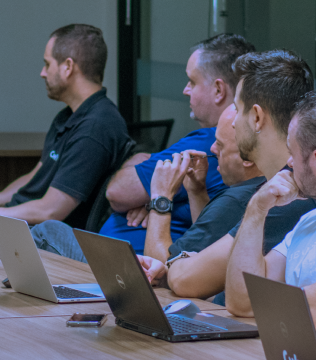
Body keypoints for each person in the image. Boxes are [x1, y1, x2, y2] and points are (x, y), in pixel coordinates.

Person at [140, 50, 316, 302]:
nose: (233, 122)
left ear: (257, 117)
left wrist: (177, 265)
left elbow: (187, 280)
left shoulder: (286, 198)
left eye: (237, 109)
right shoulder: (280, 187)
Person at [100, 34, 256, 253]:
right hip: (140, 261)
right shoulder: (221, 149)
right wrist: (159, 200)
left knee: (46, 231)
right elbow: (203, 223)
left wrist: (157, 200)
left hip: (139, 265)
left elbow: (118, 192)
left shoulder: (210, 144)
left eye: (192, 81)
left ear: (219, 90)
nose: (185, 90)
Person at [0, 24, 130, 230]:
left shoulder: (96, 127)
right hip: (16, 223)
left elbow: (51, 210)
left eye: (47, 64)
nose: (43, 73)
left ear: (68, 67)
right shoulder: (69, 115)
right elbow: (36, 176)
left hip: (41, 240)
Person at [225, 88, 316, 345]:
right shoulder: (313, 220)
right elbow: (242, 299)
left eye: (293, 152)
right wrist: (257, 208)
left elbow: (314, 317)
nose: (288, 162)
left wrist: (267, 300)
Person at [143, 104, 264, 263]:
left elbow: (160, 267)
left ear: (248, 156)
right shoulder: (265, 185)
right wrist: (196, 191)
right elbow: (205, 248)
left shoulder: (236, 200)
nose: (213, 149)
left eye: (220, 145)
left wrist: (160, 197)